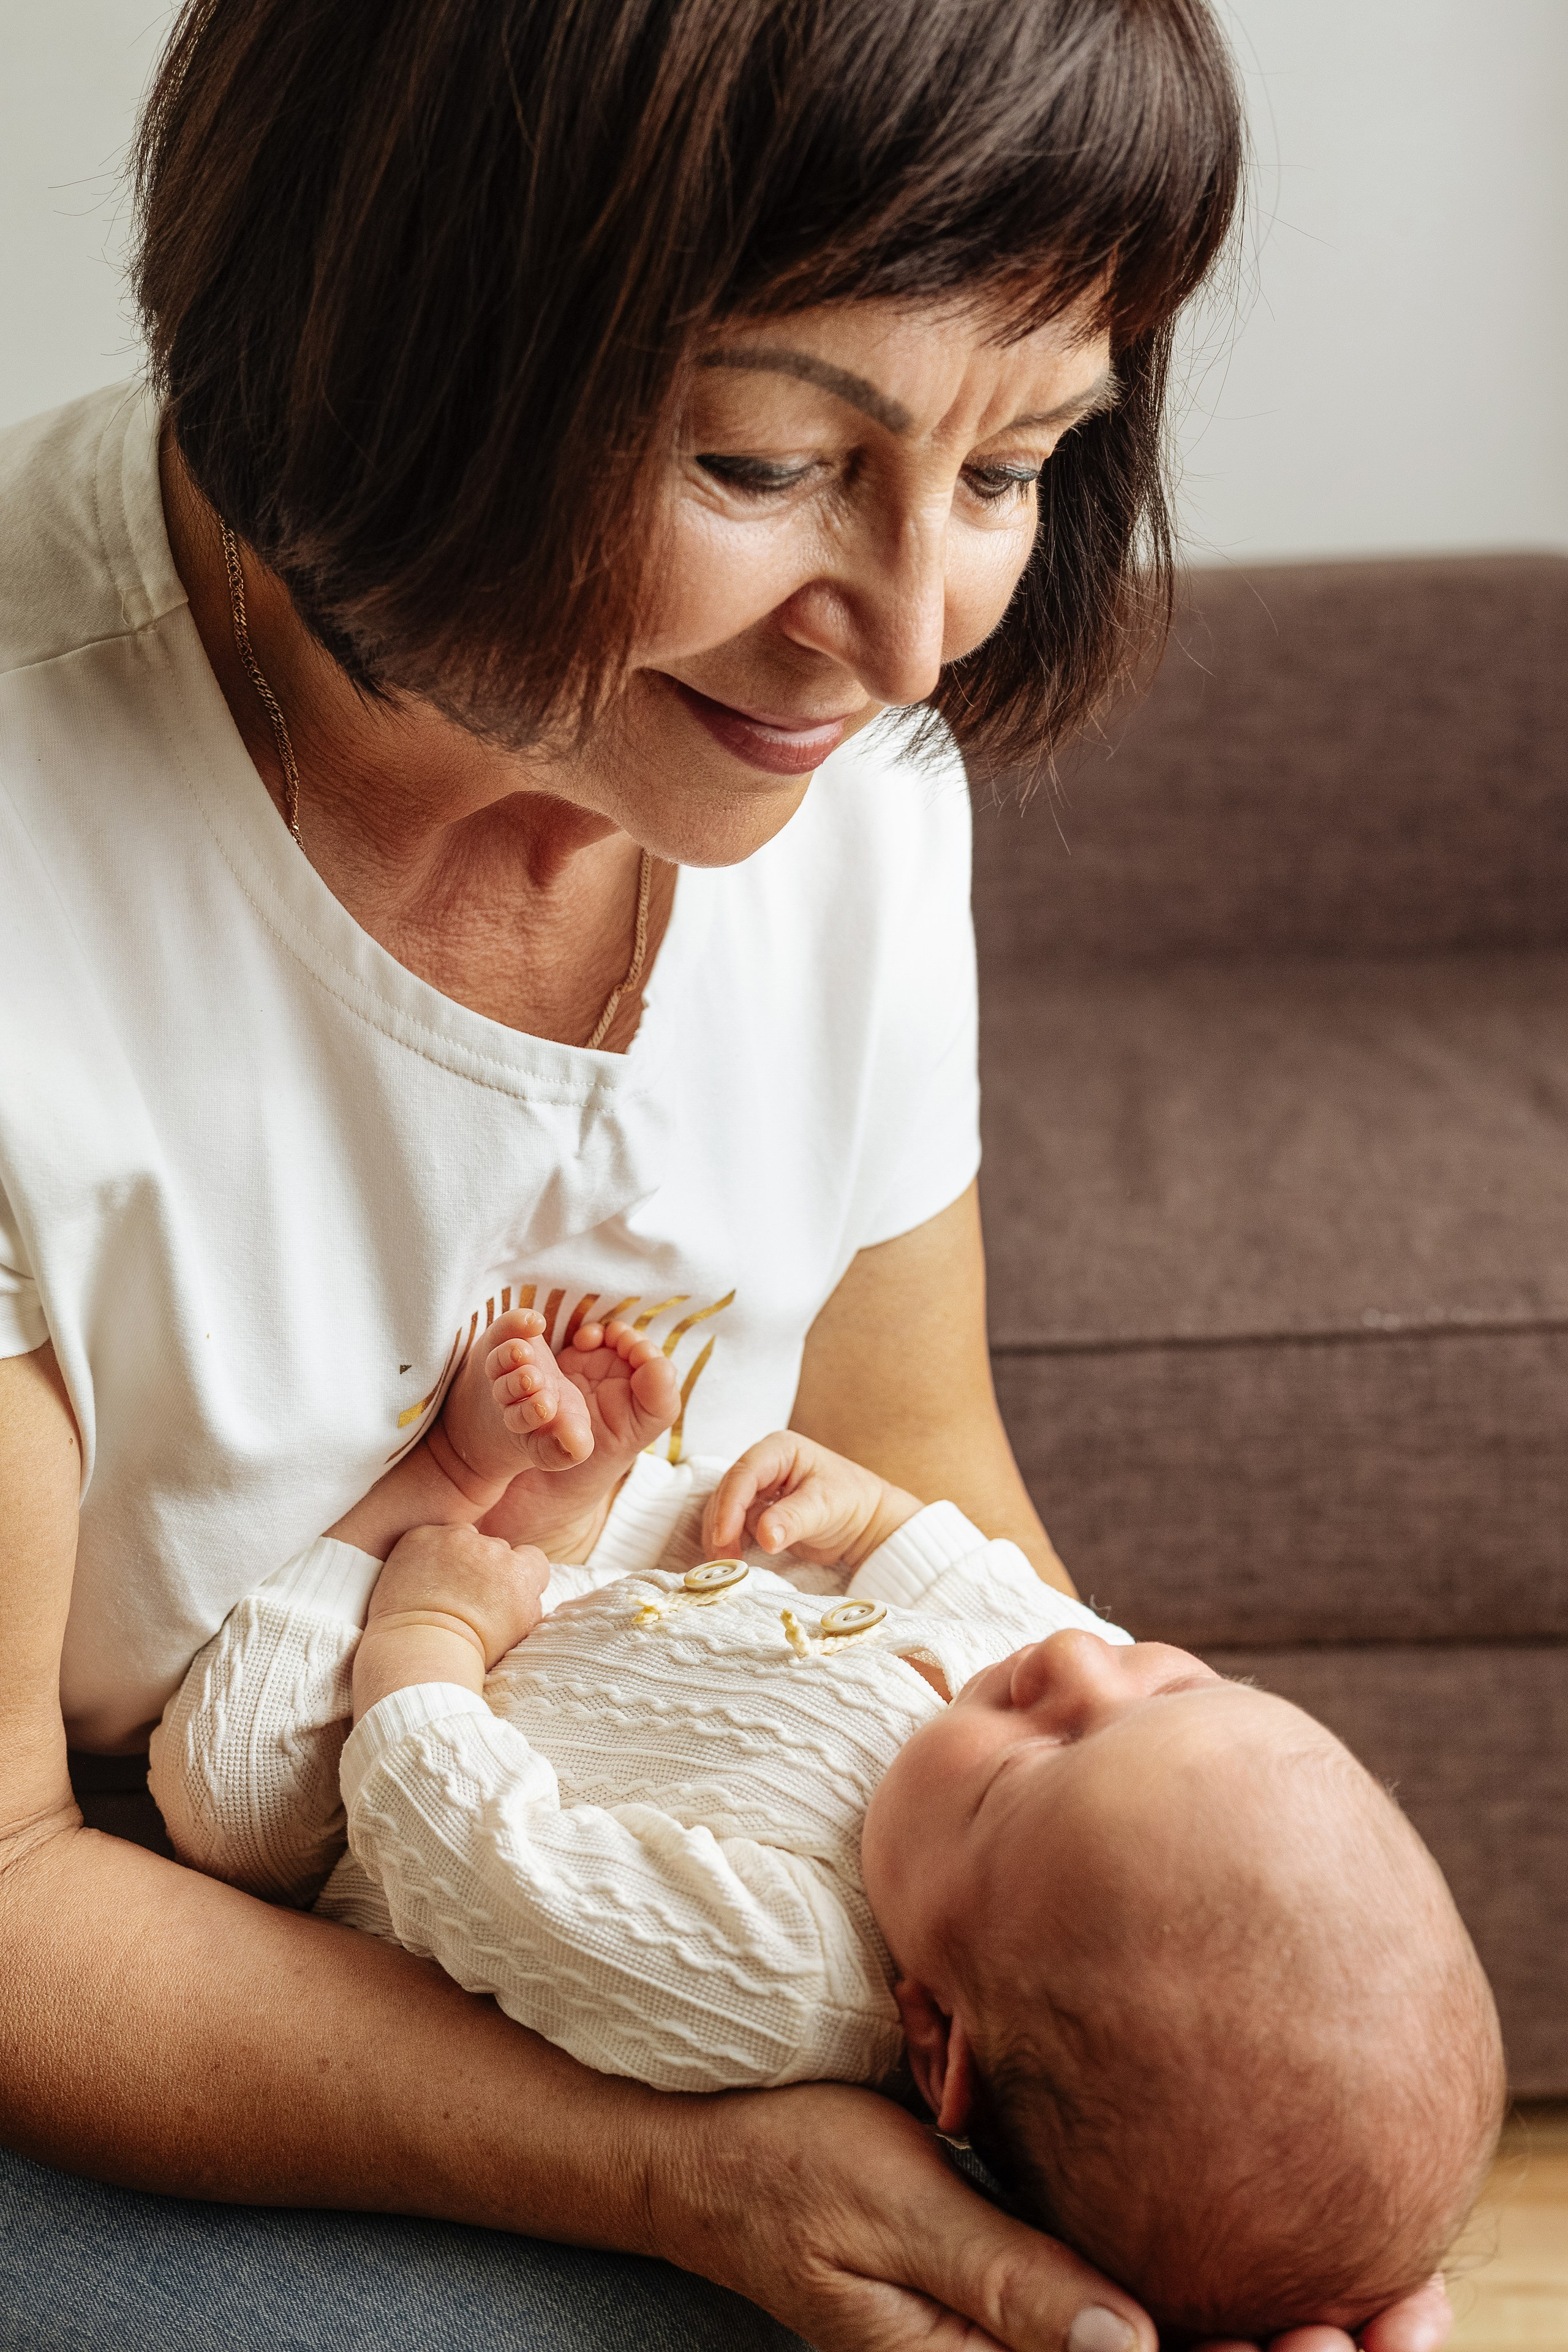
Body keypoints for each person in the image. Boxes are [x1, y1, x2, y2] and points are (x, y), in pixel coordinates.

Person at [0, 0, 1458, 2344]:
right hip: (124, 1926)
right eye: (774, 460)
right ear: (405, 328)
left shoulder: (847, 776)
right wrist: (688, 2183)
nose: (902, 646)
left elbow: (903, 1457)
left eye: (1011, 472)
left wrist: (1159, 2127)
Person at [148, 1317, 1505, 2343]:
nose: (1065, 1675)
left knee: (227, 1795)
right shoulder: (1065, 1747)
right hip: (599, 1624)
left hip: (376, 1789)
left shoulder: (781, 1980)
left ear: (933, 2038)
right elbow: (1011, 1606)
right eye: (1173, 1679)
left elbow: (483, 1863)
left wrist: (430, 1640)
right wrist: (872, 1519)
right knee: (697, 1522)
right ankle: (541, 1515)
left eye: (1032, 1765)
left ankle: (431, 1496)